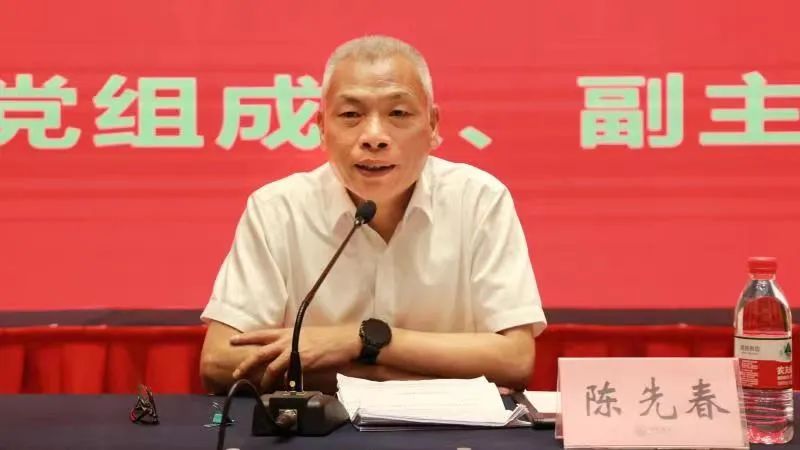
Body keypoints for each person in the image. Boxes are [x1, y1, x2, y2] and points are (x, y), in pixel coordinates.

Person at [199, 35, 547, 395]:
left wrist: (358, 340)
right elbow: (219, 361)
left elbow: (515, 360)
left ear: (433, 125)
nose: (374, 137)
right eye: (351, 115)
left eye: (398, 114)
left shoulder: (479, 200)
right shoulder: (278, 209)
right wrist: (385, 375)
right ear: (321, 128)